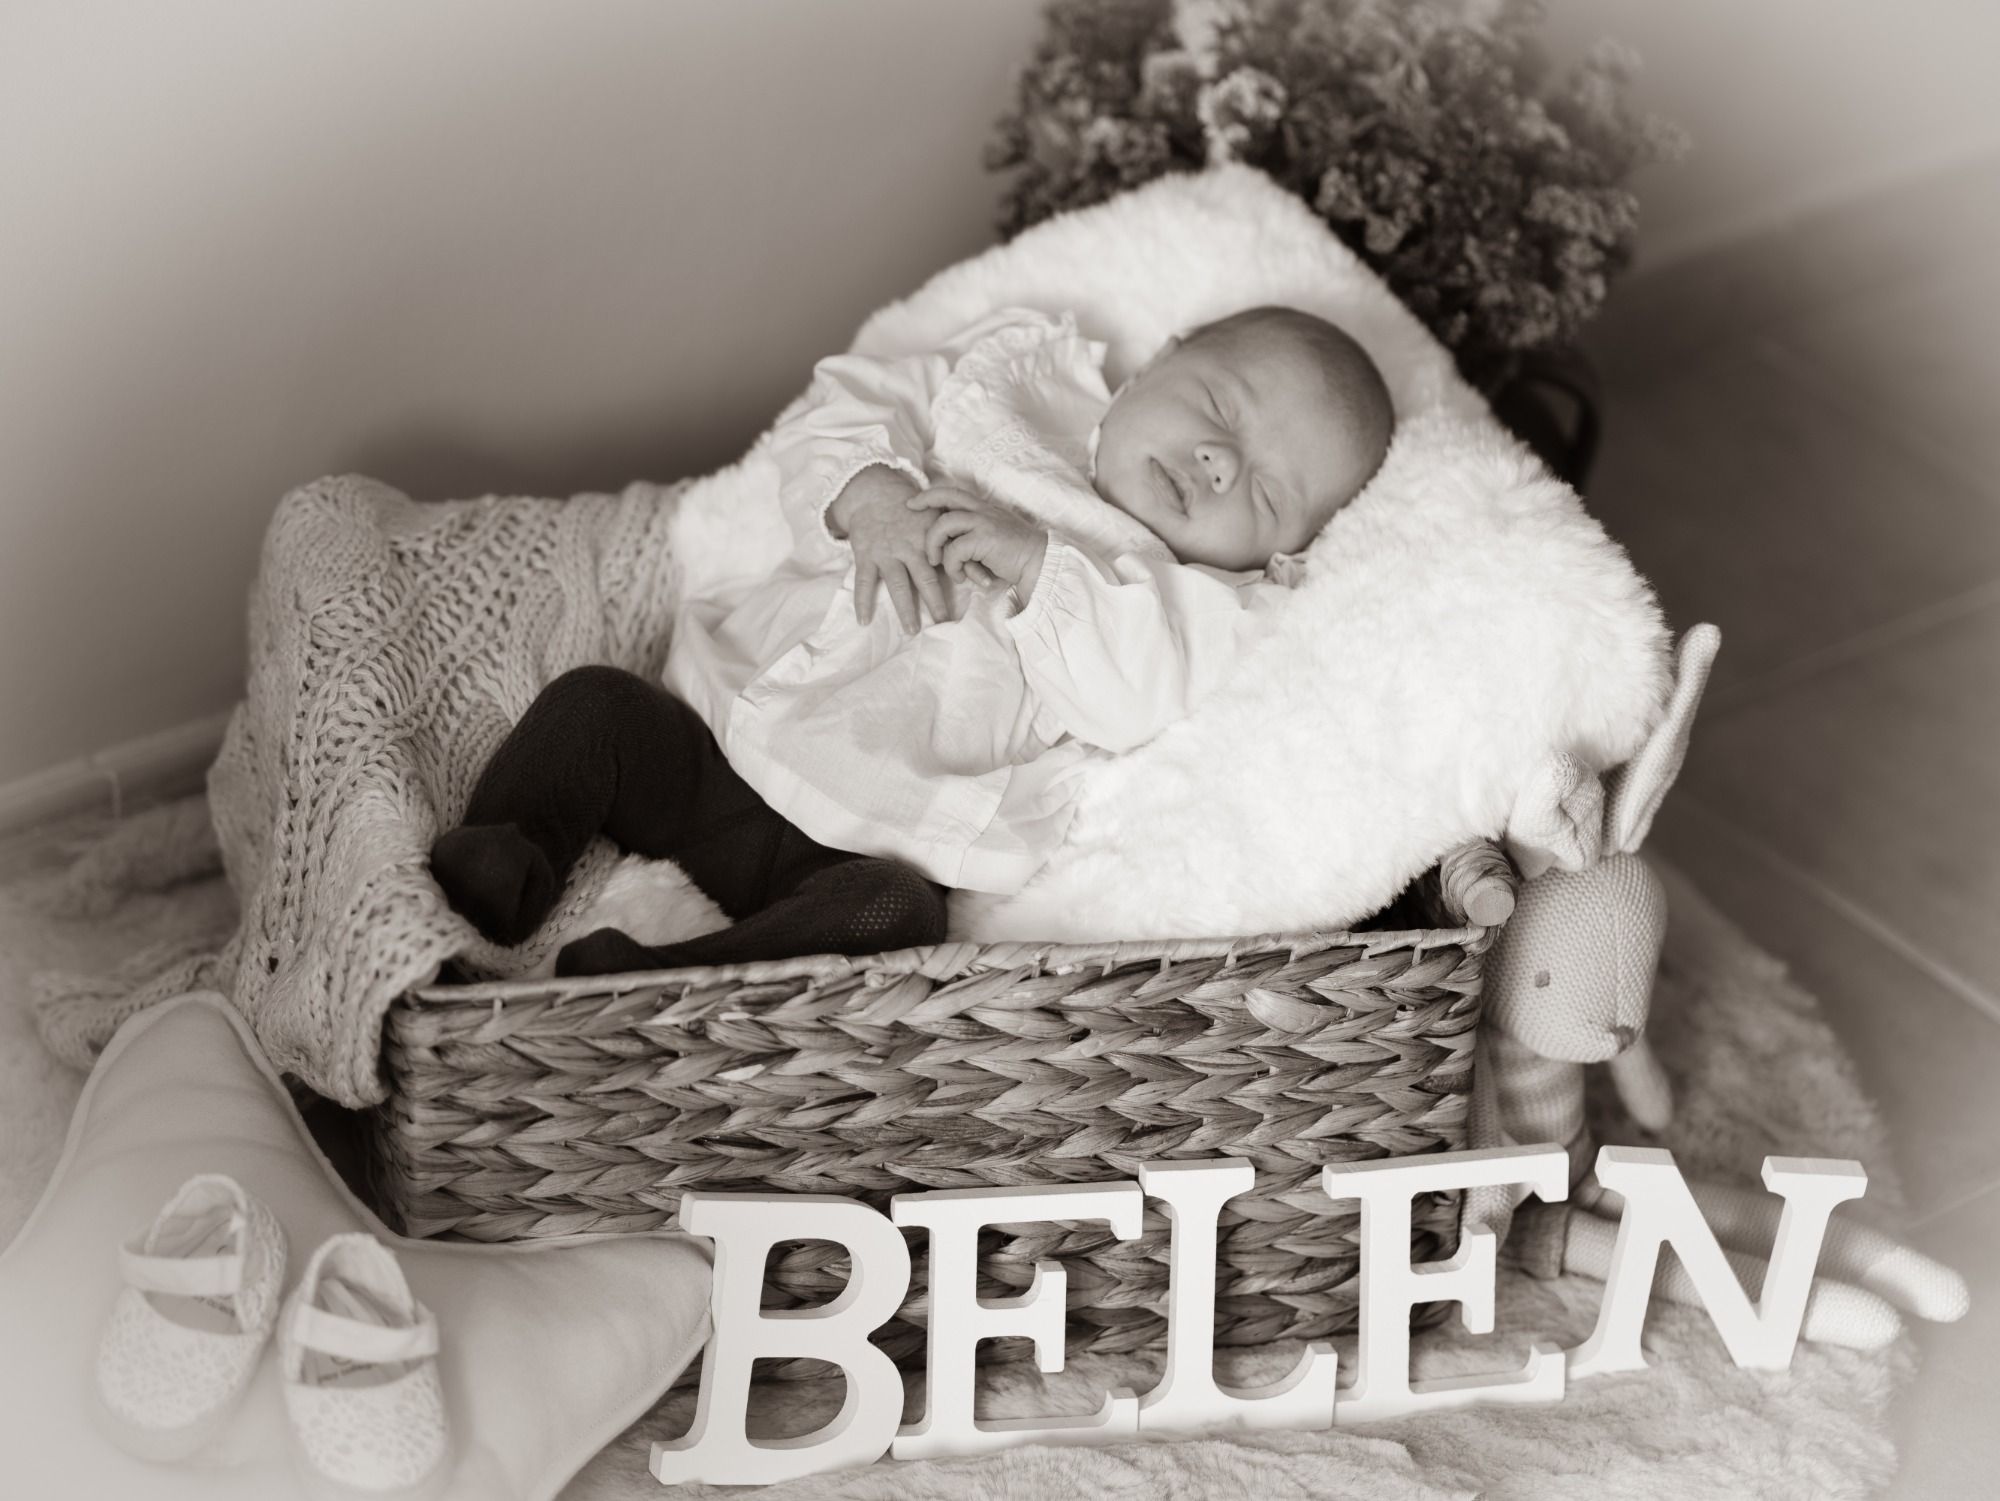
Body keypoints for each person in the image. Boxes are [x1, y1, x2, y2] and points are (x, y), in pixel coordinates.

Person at [429, 304, 1395, 975]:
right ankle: (505, 851)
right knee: (597, 706)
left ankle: (663, 979)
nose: (1220, 463)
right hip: (721, 731)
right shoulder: (1014, 389)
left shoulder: (1194, 607)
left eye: (1267, 493)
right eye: (1221, 408)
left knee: (895, 917)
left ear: (1280, 555)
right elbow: (846, 403)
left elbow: (1135, 692)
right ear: (1162, 357)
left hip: (869, 838)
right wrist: (873, 495)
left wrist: (1038, 568)